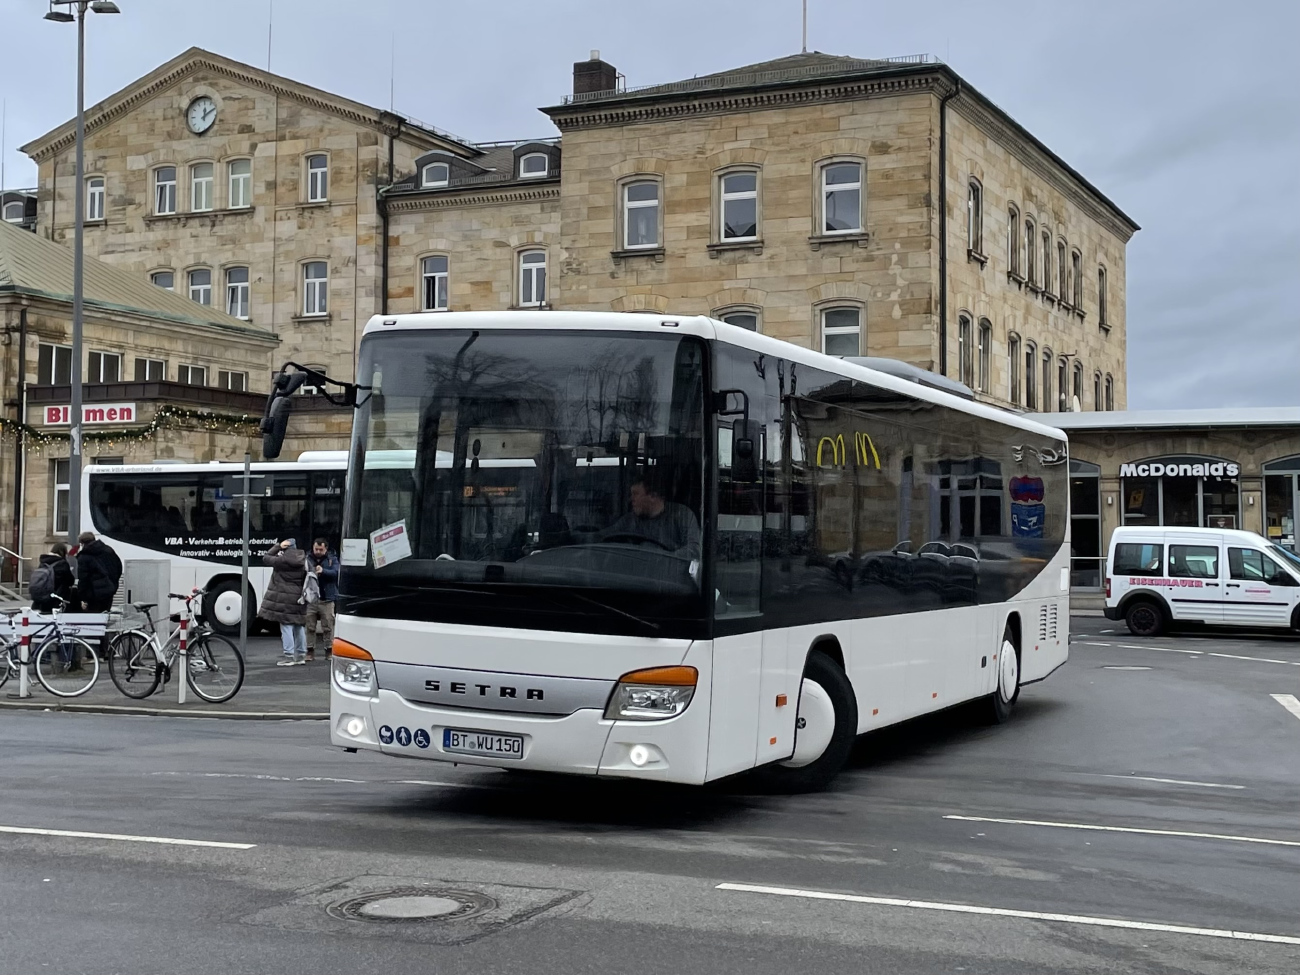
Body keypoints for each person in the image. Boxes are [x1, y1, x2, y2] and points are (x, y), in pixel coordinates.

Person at [601, 475, 700, 560]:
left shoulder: (682, 515)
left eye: (635, 494)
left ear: (653, 496)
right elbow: (604, 536)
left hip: (668, 576)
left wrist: (666, 560)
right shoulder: (629, 520)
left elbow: (694, 548)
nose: (631, 499)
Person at [259, 538, 308, 666]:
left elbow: (266, 557)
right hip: (299, 597)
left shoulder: (281, 560)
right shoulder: (304, 560)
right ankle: (301, 655)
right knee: (299, 625)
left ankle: (289, 656)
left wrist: (278, 546)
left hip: (284, 597)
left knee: (286, 625)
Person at [304, 537, 339, 662]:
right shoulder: (307, 558)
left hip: (327, 598)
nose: (318, 551)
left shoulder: (332, 559)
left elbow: (336, 573)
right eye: (316, 549)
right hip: (311, 598)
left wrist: (323, 571)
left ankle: (329, 651)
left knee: (328, 626)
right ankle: (309, 651)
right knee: (310, 626)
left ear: (326, 549)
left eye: (321, 549)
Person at [75, 531, 122, 613]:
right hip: (108, 591)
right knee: (105, 616)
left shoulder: (84, 556)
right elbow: (118, 567)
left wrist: (82, 597)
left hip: (92, 594)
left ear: (82, 543)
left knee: (93, 620)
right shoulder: (108, 550)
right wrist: (113, 584)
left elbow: (83, 578)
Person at [30, 542, 78, 614]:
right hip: (56, 598)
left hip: (42, 598)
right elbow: (70, 581)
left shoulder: (43, 562)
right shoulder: (62, 564)